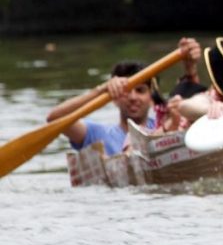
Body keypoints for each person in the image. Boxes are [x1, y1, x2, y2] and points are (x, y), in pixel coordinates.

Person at [46, 37, 202, 156]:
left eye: (140, 90)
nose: (133, 97)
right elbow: (54, 119)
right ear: (114, 99)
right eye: (126, 92)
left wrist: (190, 68)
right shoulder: (97, 133)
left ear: (151, 98)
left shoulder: (168, 122)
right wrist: (101, 90)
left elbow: (195, 113)